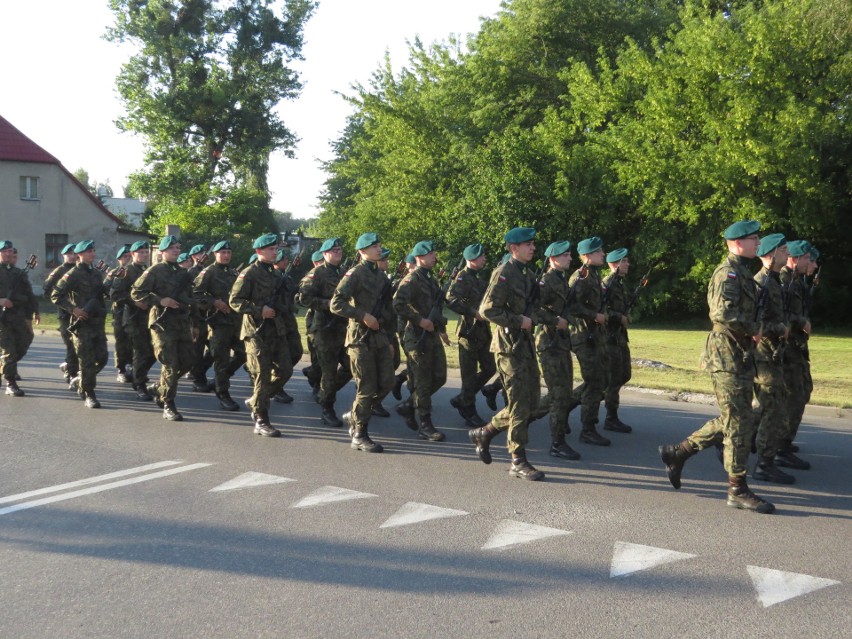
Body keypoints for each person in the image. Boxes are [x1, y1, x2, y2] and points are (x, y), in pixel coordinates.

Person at [659, 219, 775, 514]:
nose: (758, 242)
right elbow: (721, 312)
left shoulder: (743, 272)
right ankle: (737, 489)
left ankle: (679, 452)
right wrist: (753, 328)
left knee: (736, 416)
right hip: (727, 356)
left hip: (739, 354)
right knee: (738, 421)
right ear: (737, 243)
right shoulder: (728, 274)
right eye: (753, 238)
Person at [468, 227, 545, 481]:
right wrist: (517, 321)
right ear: (514, 249)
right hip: (508, 347)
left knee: (532, 403)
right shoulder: (504, 273)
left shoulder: (527, 273)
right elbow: (488, 310)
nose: (532, 247)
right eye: (527, 244)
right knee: (520, 404)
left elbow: (532, 309)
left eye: (533, 243)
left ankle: (486, 432)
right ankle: (517, 460)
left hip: (525, 345)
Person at [329, 232, 396, 452]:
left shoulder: (381, 276)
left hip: (379, 338)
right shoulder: (355, 274)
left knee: (387, 382)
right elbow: (336, 304)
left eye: (379, 245)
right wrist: (362, 315)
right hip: (360, 339)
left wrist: (388, 339)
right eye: (374, 246)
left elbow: (387, 312)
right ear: (362, 252)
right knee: (366, 388)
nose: (379, 249)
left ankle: (356, 414)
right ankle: (359, 434)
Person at [229, 233, 294, 437]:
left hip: (276, 330)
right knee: (262, 376)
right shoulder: (249, 273)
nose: (275, 252)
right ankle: (261, 419)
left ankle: (257, 400)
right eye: (271, 249)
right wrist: (259, 310)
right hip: (255, 332)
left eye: (276, 249)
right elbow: (235, 301)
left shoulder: (277, 274)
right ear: (259, 252)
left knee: (285, 370)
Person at [131, 235, 197, 421]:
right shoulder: (155, 271)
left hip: (182, 322)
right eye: (172, 248)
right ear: (162, 252)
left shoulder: (183, 273)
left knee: (188, 361)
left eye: (177, 247)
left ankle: (158, 387)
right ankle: (168, 403)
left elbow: (190, 299)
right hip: (162, 322)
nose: (176, 250)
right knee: (170, 363)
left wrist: (195, 324)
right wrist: (160, 300)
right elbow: (136, 292)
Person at [393, 240, 449, 441]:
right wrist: (419, 320)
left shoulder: (430, 279)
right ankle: (425, 425)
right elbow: (398, 304)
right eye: (430, 254)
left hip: (432, 335)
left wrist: (441, 328)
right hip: (416, 337)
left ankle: (408, 405)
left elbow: (436, 308)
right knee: (423, 382)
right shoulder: (411, 279)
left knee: (440, 377)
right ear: (419, 257)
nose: (434, 256)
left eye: (434, 253)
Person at [751, 233, 795, 484]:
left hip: (774, 354)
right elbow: (756, 322)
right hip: (764, 354)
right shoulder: (761, 282)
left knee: (768, 406)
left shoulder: (775, 281)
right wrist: (779, 329)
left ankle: (738, 441)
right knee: (771, 407)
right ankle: (764, 464)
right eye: (783, 250)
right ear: (770, 254)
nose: (787, 254)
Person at [298, 237, 351, 427]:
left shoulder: (345, 273)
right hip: (324, 329)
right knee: (328, 372)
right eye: (334, 250)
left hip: (343, 328)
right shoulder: (316, 274)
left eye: (340, 249)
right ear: (325, 254)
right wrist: (326, 304)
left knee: (350, 367)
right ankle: (327, 409)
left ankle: (323, 393)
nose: (338, 252)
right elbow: (303, 298)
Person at [535, 240, 581, 460]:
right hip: (549, 343)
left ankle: (522, 420)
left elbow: (567, 309)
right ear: (553, 259)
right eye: (565, 255)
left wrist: (567, 319)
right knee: (559, 395)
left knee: (562, 394)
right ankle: (557, 443)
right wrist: (555, 321)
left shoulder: (562, 281)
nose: (570, 258)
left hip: (562, 343)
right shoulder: (544, 282)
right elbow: (534, 310)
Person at [51, 240, 109, 408]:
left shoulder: (97, 274)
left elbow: (103, 293)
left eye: (93, 250)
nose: (93, 253)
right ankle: (89, 393)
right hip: (82, 324)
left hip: (97, 323)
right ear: (80, 254)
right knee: (87, 361)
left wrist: (111, 283)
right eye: (89, 251)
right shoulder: (73, 274)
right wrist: (73, 309)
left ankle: (81, 380)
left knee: (103, 358)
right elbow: (56, 295)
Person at [567, 237, 611, 446]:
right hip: (583, 337)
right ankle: (587, 429)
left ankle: (564, 408)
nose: (603, 254)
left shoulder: (594, 275)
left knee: (598, 381)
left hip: (595, 336)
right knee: (594, 383)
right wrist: (593, 316)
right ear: (586, 256)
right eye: (598, 251)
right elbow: (571, 306)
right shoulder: (581, 277)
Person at [446, 242, 495, 428]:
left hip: (482, 331)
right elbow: (451, 300)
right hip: (468, 332)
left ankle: (462, 398)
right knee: (469, 374)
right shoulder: (462, 278)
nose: (484, 259)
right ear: (471, 259)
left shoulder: (479, 279)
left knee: (490, 367)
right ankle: (468, 409)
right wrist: (472, 312)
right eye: (481, 256)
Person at [193, 240, 245, 411]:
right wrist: (214, 302)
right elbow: (195, 293)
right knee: (221, 359)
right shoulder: (208, 272)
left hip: (235, 322)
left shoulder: (232, 273)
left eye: (229, 253)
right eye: (222, 252)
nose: (226, 255)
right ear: (215, 254)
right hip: (217, 323)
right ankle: (223, 393)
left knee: (243, 353)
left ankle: (214, 378)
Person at [777, 240, 813, 471]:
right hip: (786, 347)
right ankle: (777, 446)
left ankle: (782, 444)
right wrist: (801, 322)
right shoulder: (784, 280)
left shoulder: (795, 281)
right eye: (809, 258)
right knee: (789, 398)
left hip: (796, 346)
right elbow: (782, 312)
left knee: (800, 393)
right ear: (796, 258)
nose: (812, 263)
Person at [111, 240, 157, 401]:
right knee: (141, 352)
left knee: (153, 353)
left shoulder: (148, 270)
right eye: (141, 252)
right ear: (133, 254)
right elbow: (115, 294)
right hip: (132, 318)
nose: (144, 254)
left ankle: (136, 373)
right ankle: (140, 385)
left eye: (146, 252)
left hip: (149, 318)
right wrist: (134, 302)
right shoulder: (125, 271)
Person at [601, 248, 634, 434]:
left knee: (624, 374)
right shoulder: (608, 283)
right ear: (614, 264)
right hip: (610, 337)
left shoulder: (620, 284)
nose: (627, 264)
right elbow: (603, 310)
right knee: (613, 378)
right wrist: (617, 317)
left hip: (620, 336)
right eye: (624, 261)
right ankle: (610, 418)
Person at [0, 240, 35, 396]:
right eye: (4, 251)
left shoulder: (19, 273)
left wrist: (30, 316)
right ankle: (10, 382)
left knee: (23, 344)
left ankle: (4, 365)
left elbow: (29, 295)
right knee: (9, 350)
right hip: (2, 319)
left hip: (18, 317)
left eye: (9, 251)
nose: (7, 253)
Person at [44, 242, 79, 384]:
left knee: (79, 344)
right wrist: (61, 297)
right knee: (70, 343)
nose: (71, 256)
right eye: (68, 254)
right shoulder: (59, 271)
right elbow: (47, 288)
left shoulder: (80, 270)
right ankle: (72, 373)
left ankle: (69, 366)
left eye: (73, 254)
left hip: (80, 312)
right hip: (65, 313)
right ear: (63, 255)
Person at [272, 247, 303, 404]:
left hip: (289, 320)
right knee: (281, 358)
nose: (286, 261)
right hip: (278, 321)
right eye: (284, 259)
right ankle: (275, 386)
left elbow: (292, 290)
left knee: (297, 352)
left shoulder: (286, 276)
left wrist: (294, 270)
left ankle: (276, 380)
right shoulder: (273, 277)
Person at [106, 244, 133, 384]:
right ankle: (121, 370)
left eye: (129, 256)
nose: (127, 259)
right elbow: (106, 290)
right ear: (119, 259)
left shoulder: (135, 271)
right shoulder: (114, 272)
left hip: (135, 313)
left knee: (134, 342)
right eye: (124, 257)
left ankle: (132, 368)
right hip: (120, 312)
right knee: (121, 342)